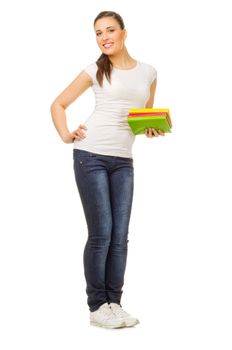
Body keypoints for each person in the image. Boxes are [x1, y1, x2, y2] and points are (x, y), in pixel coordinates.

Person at [50, 10, 164, 329]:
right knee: (101, 233)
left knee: (120, 236)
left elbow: (141, 118)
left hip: (123, 161)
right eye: (98, 33)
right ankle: (97, 305)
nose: (104, 37)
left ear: (124, 32)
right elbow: (58, 104)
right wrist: (65, 134)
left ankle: (114, 303)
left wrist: (151, 128)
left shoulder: (149, 72)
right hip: (91, 155)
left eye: (109, 30)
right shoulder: (95, 70)